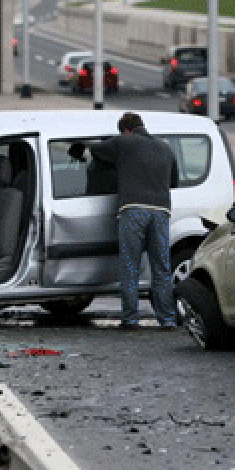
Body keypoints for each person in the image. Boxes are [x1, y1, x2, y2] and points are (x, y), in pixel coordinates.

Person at [69, 112, 179, 330]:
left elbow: (96, 149)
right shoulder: (166, 148)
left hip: (133, 210)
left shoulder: (125, 142)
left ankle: (130, 319)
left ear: (126, 130)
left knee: (130, 266)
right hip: (161, 211)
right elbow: (173, 181)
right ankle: (167, 319)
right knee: (161, 268)